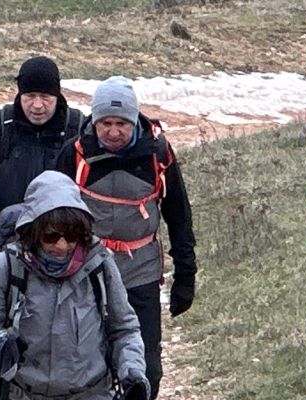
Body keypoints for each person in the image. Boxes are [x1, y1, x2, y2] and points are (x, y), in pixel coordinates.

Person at [55, 76, 199, 396]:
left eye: (122, 123)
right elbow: (48, 210)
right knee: (86, 365)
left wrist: (186, 275)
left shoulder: (158, 154)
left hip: (141, 273)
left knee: (146, 370)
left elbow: (178, 214)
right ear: (94, 120)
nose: (114, 132)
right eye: (106, 122)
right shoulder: (74, 154)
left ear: (135, 121)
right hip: (86, 272)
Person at [0, 171, 148, 400]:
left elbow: (124, 330)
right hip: (22, 393)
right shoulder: (8, 266)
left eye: (71, 236)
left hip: (92, 393)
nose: (62, 246)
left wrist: (133, 373)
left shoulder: (99, 263)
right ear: (34, 231)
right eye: (51, 236)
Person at [0, 56, 88, 253]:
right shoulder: (0, 125)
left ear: (57, 95)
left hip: (65, 242)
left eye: (45, 97)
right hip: (9, 239)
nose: (37, 105)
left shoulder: (78, 128)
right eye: (30, 96)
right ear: (20, 94)